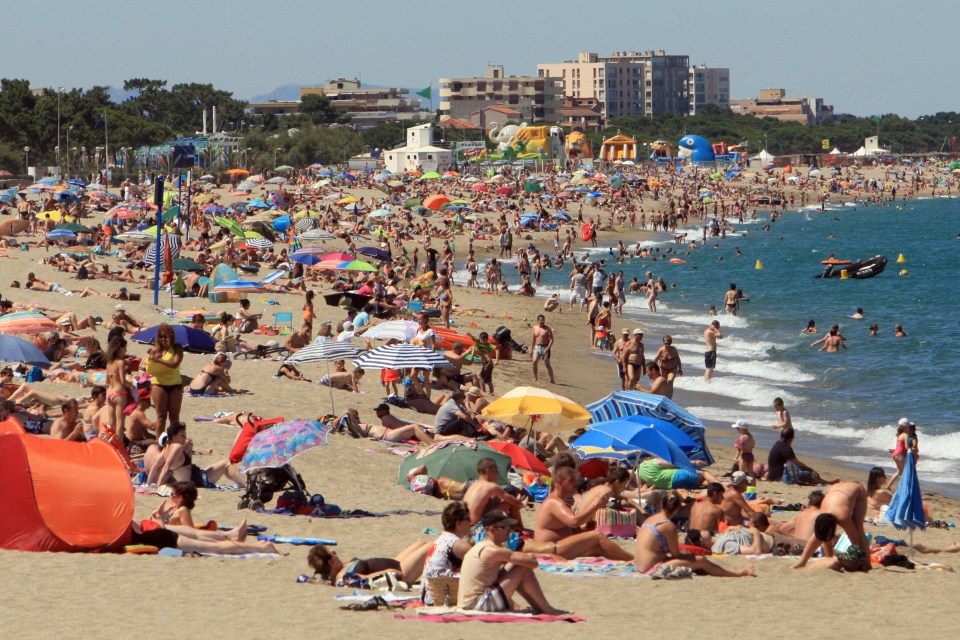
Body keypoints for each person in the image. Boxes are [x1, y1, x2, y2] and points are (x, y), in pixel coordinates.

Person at [457, 510, 564, 614]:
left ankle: (540, 607)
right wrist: (541, 556)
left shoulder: (483, 546)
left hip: (470, 602)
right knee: (523, 568)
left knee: (515, 564)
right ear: (492, 529)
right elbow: (532, 563)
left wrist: (546, 555)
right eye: (506, 527)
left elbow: (519, 557)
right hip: (477, 605)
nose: (511, 530)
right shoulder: (492, 551)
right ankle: (546, 609)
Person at [635, 491, 755, 578]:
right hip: (652, 568)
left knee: (695, 562)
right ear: (677, 509)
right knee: (701, 560)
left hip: (640, 565)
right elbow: (676, 554)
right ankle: (737, 574)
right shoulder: (668, 526)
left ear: (661, 505)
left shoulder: (650, 519)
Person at [528, 467, 633, 561]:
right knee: (597, 536)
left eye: (575, 480)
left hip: (558, 546)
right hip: (550, 548)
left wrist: (583, 530)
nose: (575, 484)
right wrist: (595, 506)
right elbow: (574, 522)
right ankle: (633, 559)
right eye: (571, 481)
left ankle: (628, 559)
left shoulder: (560, 501)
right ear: (560, 483)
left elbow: (570, 526)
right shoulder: (554, 502)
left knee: (597, 548)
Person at [792, 483, 871, 572]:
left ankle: (868, 564)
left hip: (858, 489)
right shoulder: (821, 514)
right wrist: (829, 560)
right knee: (821, 533)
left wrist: (857, 559)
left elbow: (855, 539)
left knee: (859, 529)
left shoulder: (843, 517)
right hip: (836, 490)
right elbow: (820, 536)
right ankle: (802, 561)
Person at [145, 422, 246, 488]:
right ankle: (246, 485)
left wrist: (148, 485)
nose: (184, 438)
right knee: (226, 462)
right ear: (174, 436)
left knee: (221, 465)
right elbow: (166, 467)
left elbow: (155, 466)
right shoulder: (177, 447)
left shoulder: (166, 448)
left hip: (193, 476)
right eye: (182, 435)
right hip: (196, 480)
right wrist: (158, 487)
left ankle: (242, 484)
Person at [420, 502, 473, 605]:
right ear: (459, 523)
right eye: (468, 519)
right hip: (441, 598)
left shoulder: (442, 539)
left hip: (427, 595)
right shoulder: (457, 544)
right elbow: (482, 561)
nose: (471, 522)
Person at [308, 541, 429, 586]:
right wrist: (386, 572)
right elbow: (365, 578)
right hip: (401, 572)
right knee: (432, 546)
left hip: (396, 563)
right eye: (332, 553)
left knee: (421, 543)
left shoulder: (341, 568)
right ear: (331, 562)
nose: (335, 553)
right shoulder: (343, 576)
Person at [462, 457, 526, 527]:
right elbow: (513, 501)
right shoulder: (491, 486)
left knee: (496, 499)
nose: (498, 473)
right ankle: (520, 528)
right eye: (496, 470)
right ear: (488, 471)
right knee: (509, 502)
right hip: (477, 527)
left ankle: (515, 527)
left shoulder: (474, 484)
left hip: (465, 525)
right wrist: (522, 503)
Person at [145, 324, 184, 437]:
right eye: (161, 337)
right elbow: (148, 367)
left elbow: (175, 364)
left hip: (175, 384)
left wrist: (158, 360)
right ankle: (159, 443)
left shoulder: (177, 347)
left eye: (166, 337)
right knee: (161, 417)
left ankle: (175, 440)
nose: (163, 339)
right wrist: (152, 357)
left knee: (174, 417)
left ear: (171, 337)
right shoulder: (155, 350)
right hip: (159, 384)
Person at [767, 428, 831, 485]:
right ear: (791, 438)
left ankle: (824, 481)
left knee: (800, 472)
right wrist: (812, 470)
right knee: (806, 474)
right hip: (779, 477)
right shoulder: (785, 447)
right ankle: (825, 482)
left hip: (773, 475)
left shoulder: (778, 444)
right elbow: (797, 463)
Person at [105, 336, 134, 441]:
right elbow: (123, 381)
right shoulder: (120, 362)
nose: (126, 350)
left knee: (111, 422)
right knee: (120, 421)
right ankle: (119, 445)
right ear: (119, 348)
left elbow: (107, 380)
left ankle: (109, 442)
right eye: (125, 348)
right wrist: (132, 386)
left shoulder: (109, 362)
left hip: (109, 393)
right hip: (119, 394)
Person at [636, 457, 720, 491]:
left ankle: (715, 488)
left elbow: (641, 486)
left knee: (701, 482)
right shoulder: (653, 461)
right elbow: (675, 464)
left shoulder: (638, 472)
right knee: (704, 473)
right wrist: (694, 462)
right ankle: (723, 488)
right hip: (676, 476)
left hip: (671, 486)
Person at [688, 482, 725, 547]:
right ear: (715, 494)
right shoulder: (716, 509)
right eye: (721, 495)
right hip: (704, 540)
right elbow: (721, 529)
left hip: (690, 538)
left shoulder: (695, 506)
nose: (723, 498)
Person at [886, 417, 919, 490]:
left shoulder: (899, 435)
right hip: (900, 455)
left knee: (899, 471)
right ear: (906, 427)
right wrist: (913, 451)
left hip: (895, 454)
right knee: (906, 472)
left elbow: (899, 446)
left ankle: (888, 486)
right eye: (908, 427)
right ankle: (905, 488)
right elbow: (906, 447)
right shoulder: (905, 435)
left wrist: (894, 450)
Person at [530, 314, 555, 384]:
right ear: (537, 320)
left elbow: (552, 340)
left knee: (547, 364)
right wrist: (531, 349)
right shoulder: (535, 327)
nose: (542, 321)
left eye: (543, 320)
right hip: (537, 347)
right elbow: (533, 339)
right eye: (541, 320)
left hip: (545, 347)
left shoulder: (547, 329)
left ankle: (552, 379)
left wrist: (547, 349)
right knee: (534, 361)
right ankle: (535, 378)